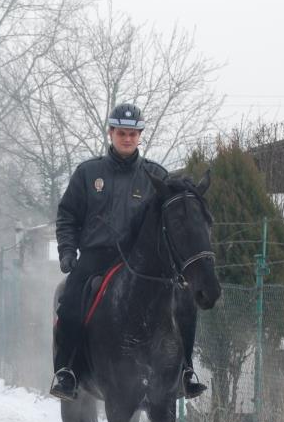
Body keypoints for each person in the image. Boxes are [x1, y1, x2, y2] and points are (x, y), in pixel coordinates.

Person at [50, 102, 206, 401]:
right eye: (122, 132)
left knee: (185, 299)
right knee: (70, 299)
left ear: (140, 136)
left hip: (143, 262)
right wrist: (68, 252)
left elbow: (172, 220)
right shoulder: (87, 173)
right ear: (111, 133)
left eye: (133, 133)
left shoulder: (156, 176)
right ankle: (66, 371)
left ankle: (186, 371)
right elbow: (67, 216)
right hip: (96, 257)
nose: (127, 138)